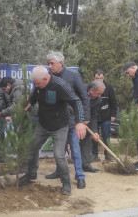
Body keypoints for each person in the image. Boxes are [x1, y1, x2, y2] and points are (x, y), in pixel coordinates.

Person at [18, 66, 86, 195]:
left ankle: (66, 183)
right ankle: (31, 174)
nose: (35, 85)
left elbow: (76, 101)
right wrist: (31, 102)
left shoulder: (60, 85)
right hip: (43, 124)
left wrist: (80, 122)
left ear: (45, 78)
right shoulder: (39, 85)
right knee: (32, 148)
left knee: (59, 155)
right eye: (34, 83)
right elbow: (35, 93)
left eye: (37, 83)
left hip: (60, 126)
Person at [45, 52, 90, 190]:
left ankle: (80, 177)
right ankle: (59, 171)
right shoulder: (48, 77)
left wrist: (83, 119)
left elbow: (84, 97)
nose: (49, 66)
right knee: (59, 150)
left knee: (75, 150)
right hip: (57, 121)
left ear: (60, 63)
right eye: (48, 63)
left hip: (72, 121)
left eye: (52, 63)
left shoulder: (73, 76)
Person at [92, 69, 118, 161]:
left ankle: (108, 155)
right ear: (93, 78)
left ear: (104, 77)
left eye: (101, 78)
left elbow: (113, 102)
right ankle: (94, 155)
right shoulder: (91, 88)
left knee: (106, 136)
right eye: (97, 78)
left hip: (106, 116)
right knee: (94, 136)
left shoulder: (109, 88)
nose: (99, 80)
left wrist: (113, 114)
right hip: (94, 116)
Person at [81, 80, 105, 172]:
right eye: (98, 93)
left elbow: (94, 116)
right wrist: (78, 120)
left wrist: (94, 131)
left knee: (87, 141)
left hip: (86, 123)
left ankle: (85, 165)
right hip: (72, 121)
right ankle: (60, 170)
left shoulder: (98, 100)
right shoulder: (80, 90)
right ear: (91, 90)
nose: (99, 96)